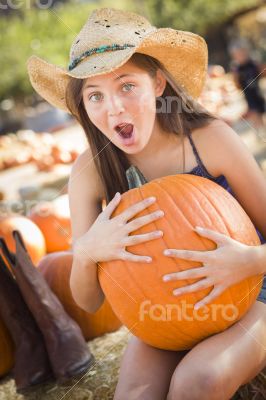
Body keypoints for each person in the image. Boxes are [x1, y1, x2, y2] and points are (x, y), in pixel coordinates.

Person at [27, 8, 266, 400]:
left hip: (252, 294)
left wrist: (250, 261)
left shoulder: (211, 140)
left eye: (126, 86)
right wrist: (87, 250)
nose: (114, 108)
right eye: (95, 96)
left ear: (157, 84)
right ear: (83, 106)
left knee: (198, 381)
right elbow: (88, 302)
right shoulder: (90, 170)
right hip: (160, 315)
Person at [229, 39, 266, 141]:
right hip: (249, 95)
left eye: (242, 53)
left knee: (261, 112)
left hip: (258, 93)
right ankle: (258, 132)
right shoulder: (237, 69)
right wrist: (235, 77)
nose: (241, 56)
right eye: (238, 55)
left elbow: (262, 73)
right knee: (254, 114)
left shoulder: (253, 63)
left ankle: (262, 130)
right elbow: (237, 84)